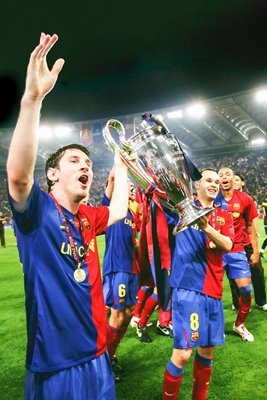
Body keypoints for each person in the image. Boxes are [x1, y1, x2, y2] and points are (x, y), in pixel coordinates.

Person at [6, 33, 130, 400]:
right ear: (53, 175)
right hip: (55, 365)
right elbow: (18, 176)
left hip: (97, 355)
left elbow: (120, 209)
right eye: (75, 161)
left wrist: (120, 164)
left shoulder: (87, 217)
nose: (86, 167)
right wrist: (32, 100)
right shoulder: (36, 213)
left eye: (89, 163)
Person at [162, 168, 234, 400]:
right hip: (188, 289)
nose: (214, 184)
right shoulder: (181, 209)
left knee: (207, 351)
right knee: (182, 354)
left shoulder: (224, 214)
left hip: (213, 291)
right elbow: (158, 195)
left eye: (216, 181)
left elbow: (228, 245)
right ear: (196, 186)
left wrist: (206, 227)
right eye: (209, 181)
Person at [102, 179, 141, 381]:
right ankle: (104, 362)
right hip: (118, 268)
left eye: (133, 185)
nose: (132, 187)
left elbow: (134, 241)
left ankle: (110, 353)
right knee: (117, 314)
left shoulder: (133, 212)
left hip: (131, 268)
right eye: (128, 185)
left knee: (129, 313)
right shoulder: (112, 208)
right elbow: (110, 182)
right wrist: (121, 161)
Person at [215, 167, 259, 341]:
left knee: (246, 290)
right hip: (215, 251)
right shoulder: (212, 197)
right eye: (221, 175)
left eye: (228, 174)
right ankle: (216, 326)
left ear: (234, 179)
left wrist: (255, 251)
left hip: (237, 250)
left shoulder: (245, 199)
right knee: (214, 293)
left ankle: (239, 324)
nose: (224, 177)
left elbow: (249, 226)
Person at [229, 173, 267, 311]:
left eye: (238, 179)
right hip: (234, 243)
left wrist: (255, 236)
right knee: (234, 273)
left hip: (248, 242)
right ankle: (237, 302)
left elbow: (253, 220)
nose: (235, 181)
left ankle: (261, 301)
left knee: (257, 271)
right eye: (233, 179)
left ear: (242, 183)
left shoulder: (247, 199)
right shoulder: (225, 200)